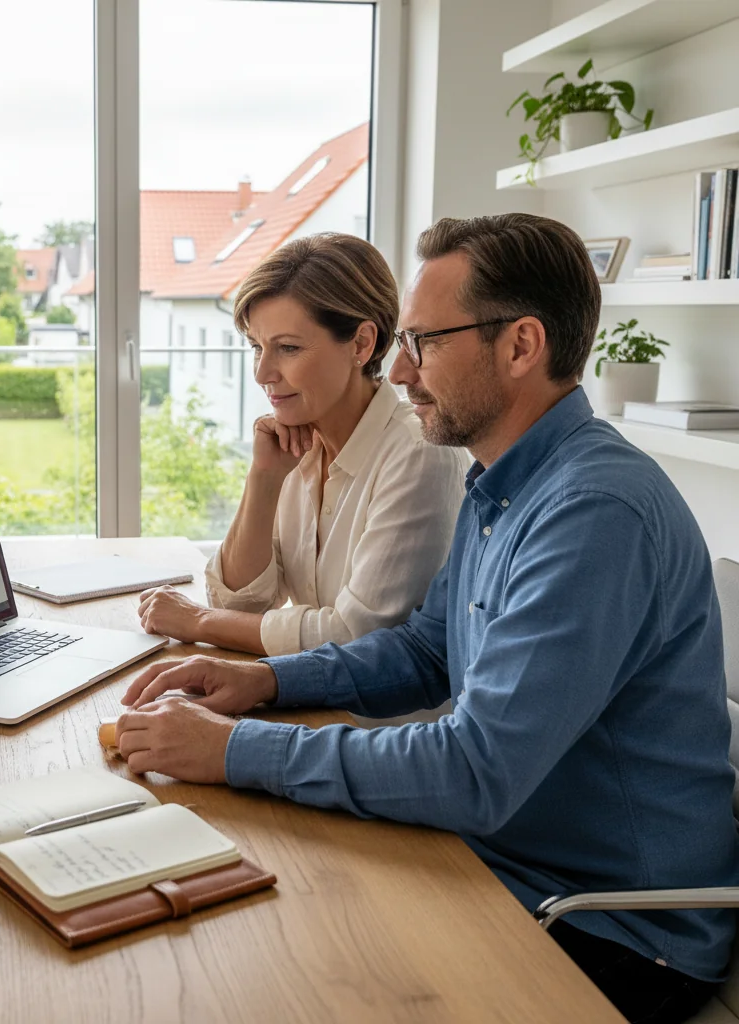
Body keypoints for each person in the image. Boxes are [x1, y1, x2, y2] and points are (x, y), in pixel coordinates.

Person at [115, 214, 739, 1024]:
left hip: (610, 928)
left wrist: (236, 749)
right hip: (504, 862)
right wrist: (262, 681)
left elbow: (477, 771)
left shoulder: (594, 512)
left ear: (520, 346)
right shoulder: (503, 485)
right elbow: (421, 650)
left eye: (424, 343)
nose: (400, 370)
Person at [137, 233, 465, 656]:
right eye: (257, 347)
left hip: (372, 721)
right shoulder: (296, 444)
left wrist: (199, 621)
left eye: (287, 348)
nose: (262, 373)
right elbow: (238, 602)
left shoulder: (419, 451)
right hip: (306, 705)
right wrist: (265, 479)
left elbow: (355, 636)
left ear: (362, 345)